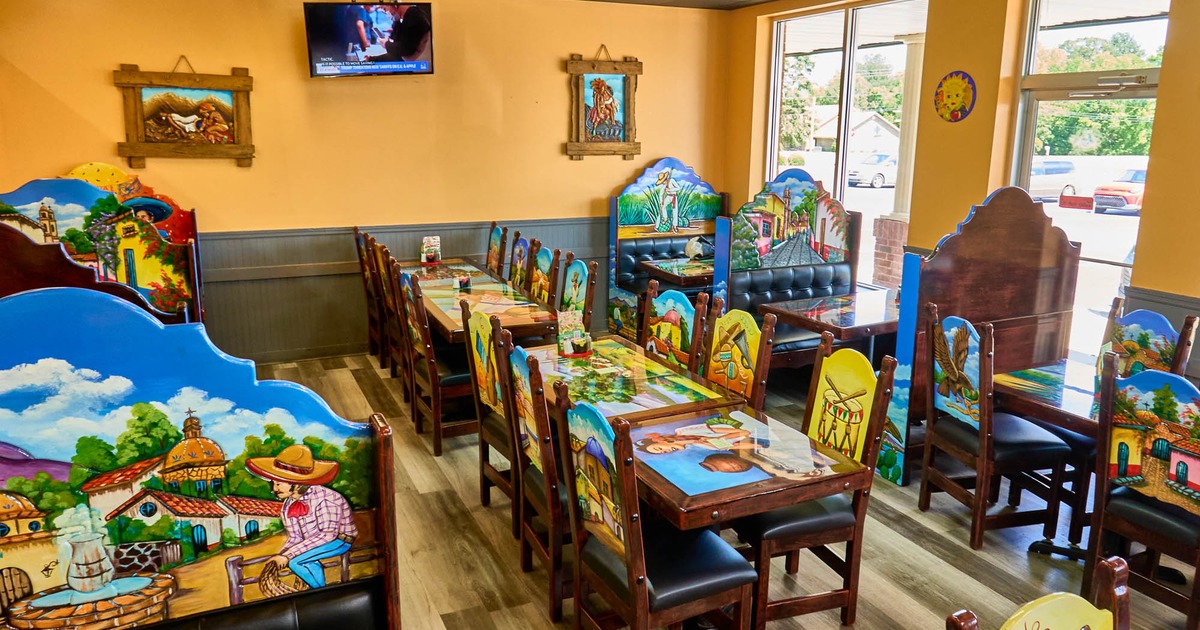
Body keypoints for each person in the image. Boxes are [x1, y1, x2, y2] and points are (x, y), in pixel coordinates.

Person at [247, 444, 357, 590]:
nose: (274, 489)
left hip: (339, 540)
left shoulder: (326, 498)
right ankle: (319, 591)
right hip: (316, 542)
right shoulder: (288, 505)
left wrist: (288, 557)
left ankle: (321, 594)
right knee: (303, 560)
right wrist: (282, 555)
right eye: (273, 483)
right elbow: (295, 537)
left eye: (279, 483)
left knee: (296, 562)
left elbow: (328, 535)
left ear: (296, 483)